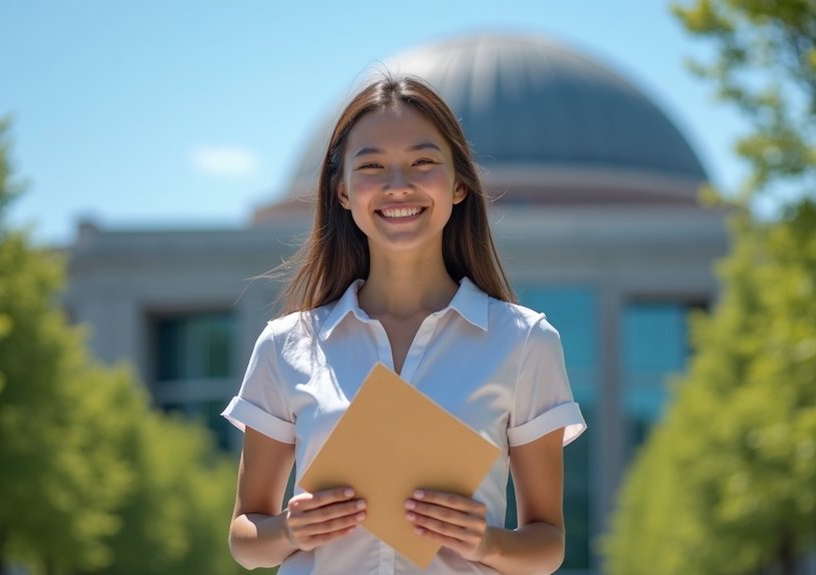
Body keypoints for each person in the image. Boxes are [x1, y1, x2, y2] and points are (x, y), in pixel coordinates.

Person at [222, 74, 586, 574]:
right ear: (343, 192)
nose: (398, 186)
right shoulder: (287, 346)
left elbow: (547, 544)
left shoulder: (524, 343)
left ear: (459, 185)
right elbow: (245, 537)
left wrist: (486, 544)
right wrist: (289, 531)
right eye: (371, 166)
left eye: (423, 163)